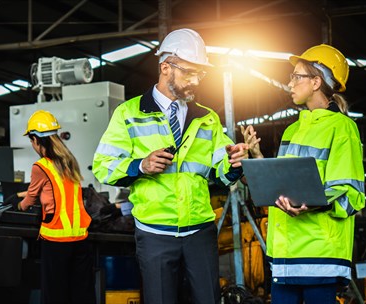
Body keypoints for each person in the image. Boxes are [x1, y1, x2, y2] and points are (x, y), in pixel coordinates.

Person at [92, 28, 249, 304]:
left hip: (199, 230)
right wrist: (140, 165)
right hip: (155, 233)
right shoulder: (128, 114)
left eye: (200, 74)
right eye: (189, 72)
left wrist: (234, 162)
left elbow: (222, 174)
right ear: (165, 67)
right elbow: (103, 167)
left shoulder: (208, 119)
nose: (195, 80)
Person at [243, 44, 365, 304]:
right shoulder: (293, 130)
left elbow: (351, 195)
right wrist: (256, 157)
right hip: (285, 255)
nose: (290, 83)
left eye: (296, 76)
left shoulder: (343, 129)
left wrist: (309, 205)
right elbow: (283, 183)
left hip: (319, 254)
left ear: (316, 81)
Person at [16, 110, 95, 304]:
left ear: (35, 140)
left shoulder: (40, 166)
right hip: (79, 235)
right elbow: (59, 190)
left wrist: (18, 204)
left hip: (57, 238)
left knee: (55, 294)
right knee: (81, 292)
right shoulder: (69, 161)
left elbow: (30, 201)